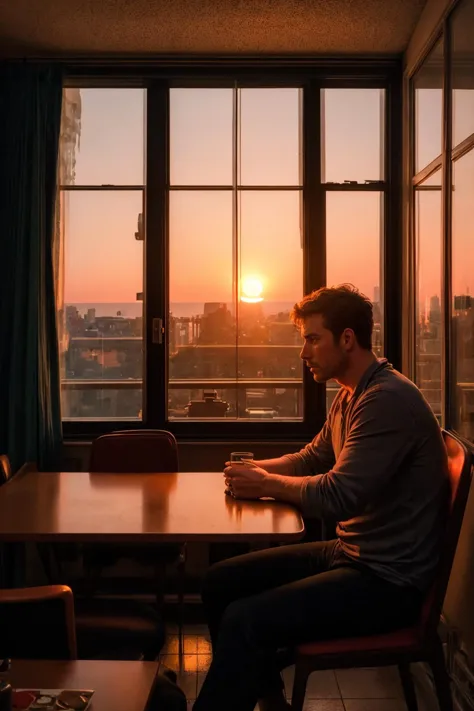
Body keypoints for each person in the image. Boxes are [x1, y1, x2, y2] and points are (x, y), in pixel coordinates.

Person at [193, 285, 449, 711]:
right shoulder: (352, 393)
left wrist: (265, 485)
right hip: (354, 554)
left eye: (312, 338)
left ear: (347, 339)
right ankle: (262, 692)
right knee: (220, 582)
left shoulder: (385, 400)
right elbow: (313, 458)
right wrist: (255, 470)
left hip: (388, 583)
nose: (303, 352)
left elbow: (339, 495)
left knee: (244, 619)